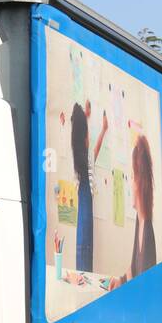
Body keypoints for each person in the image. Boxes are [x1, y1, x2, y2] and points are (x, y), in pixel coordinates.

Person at [68, 100, 109, 273]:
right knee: (85, 246)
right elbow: (93, 147)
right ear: (84, 138)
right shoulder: (82, 163)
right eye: (87, 136)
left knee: (84, 247)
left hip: (85, 210)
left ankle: (84, 274)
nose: (89, 140)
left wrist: (101, 127)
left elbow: (94, 148)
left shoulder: (82, 161)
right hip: (85, 210)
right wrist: (100, 127)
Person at [127, 133, 156, 280]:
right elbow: (132, 269)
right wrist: (120, 280)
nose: (129, 183)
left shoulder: (147, 237)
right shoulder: (139, 221)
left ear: (140, 181)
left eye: (132, 176)